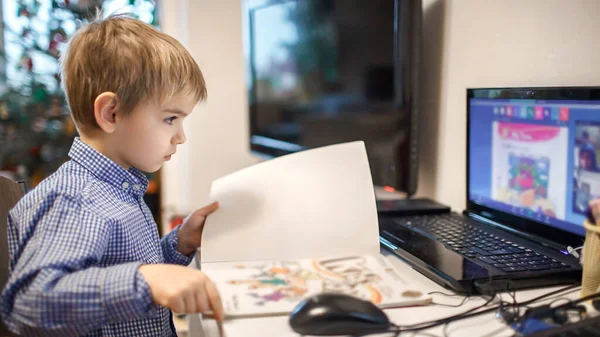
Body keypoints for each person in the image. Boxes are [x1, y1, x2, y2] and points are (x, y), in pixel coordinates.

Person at [1, 13, 224, 336]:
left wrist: (180, 243)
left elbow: (120, 267)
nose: (180, 136)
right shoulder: (76, 200)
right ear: (111, 113)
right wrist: (145, 282)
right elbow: (30, 301)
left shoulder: (117, 189)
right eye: (170, 119)